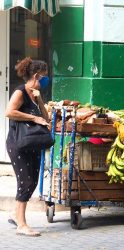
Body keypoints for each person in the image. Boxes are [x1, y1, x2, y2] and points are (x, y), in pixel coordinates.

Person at [5, 57, 50, 237]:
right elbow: (9, 112)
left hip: (32, 142)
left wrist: (40, 102)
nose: (46, 80)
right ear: (37, 75)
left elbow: (46, 119)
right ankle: (22, 224)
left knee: (33, 181)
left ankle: (16, 215)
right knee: (26, 182)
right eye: (45, 77)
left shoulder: (36, 94)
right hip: (18, 143)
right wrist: (33, 118)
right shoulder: (20, 92)